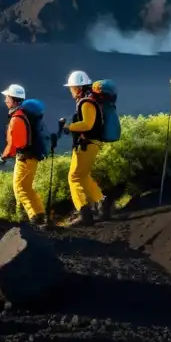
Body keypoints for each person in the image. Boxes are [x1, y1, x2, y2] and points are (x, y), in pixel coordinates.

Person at [59, 70, 112, 226]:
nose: (71, 90)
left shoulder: (87, 102)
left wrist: (70, 127)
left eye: (72, 87)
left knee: (74, 177)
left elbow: (87, 124)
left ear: (78, 87)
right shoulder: (89, 100)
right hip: (91, 144)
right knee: (83, 176)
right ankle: (102, 205)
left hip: (87, 144)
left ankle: (84, 212)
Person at [0, 84, 47, 225]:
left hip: (25, 158)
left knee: (21, 188)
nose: (5, 100)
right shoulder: (24, 116)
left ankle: (35, 219)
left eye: (7, 97)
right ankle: (40, 215)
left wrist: (3, 156)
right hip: (32, 157)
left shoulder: (17, 118)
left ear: (13, 100)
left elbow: (15, 144)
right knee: (27, 188)